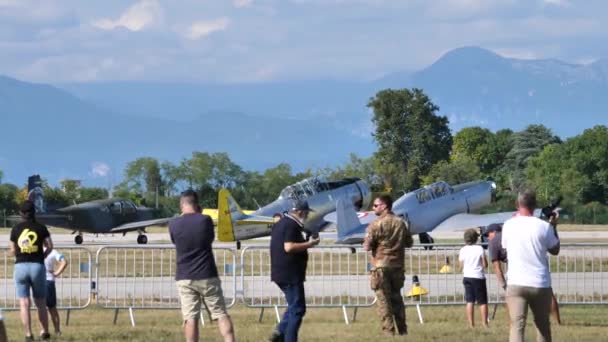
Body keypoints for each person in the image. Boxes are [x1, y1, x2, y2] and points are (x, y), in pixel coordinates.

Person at [169, 190, 235, 342]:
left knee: (190, 318)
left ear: (182, 204)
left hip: (185, 275)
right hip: (207, 273)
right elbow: (209, 238)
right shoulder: (205, 220)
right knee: (220, 313)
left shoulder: (173, 223)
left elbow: (175, 241)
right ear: (197, 204)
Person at [502, 189, 560, 342]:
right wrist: (553, 226)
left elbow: (505, 247)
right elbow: (555, 249)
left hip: (516, 281)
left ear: (517, 204)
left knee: (517, 326)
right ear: (535, 205)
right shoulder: (543, 226)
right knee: (542, 326)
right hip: (539, 282)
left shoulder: (508, 225)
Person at [487, 223, 562, 325]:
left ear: (494, 232)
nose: (488, 237)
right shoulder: (514, 233)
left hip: (517, 271)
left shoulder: (493, 242)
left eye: (488, 234)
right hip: (535, 264)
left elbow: (497, 269)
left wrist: (504, 285)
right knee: (548, 295)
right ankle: (557, 322)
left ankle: (513, 324)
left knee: (511, 298)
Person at [269, 200, 319, 342]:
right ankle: (287, 338)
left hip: (282, 272)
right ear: (300, 211)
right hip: (290, 274)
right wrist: (310, 244)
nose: (307, 215)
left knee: (293, 307)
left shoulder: (281, 223)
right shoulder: (291, 225)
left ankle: (279, 334)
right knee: (297, 309)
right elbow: (289, 247)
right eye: (307, 212)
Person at [363, 195, 413, 336]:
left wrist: (368, 243)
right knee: (397, 298)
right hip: (397, 265)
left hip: (380, 266)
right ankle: (403, 330)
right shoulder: (401, 223)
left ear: (384, 206)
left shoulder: (375, 224)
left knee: (383, 299)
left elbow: (367, 246)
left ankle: (388, 331)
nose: (373, 208)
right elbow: (409, 242)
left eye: (375, 205)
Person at [9, 200, 53, 341]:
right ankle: (44, 332)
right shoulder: (41, 227)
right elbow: (50, 245)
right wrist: (43, 256)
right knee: (40, 302)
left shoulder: (15, 229)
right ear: (34, 212)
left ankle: (28, 335)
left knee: (24, 302)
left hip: (21, 266)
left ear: (21, 213)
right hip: (37, 266)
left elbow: (13, 250)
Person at [459, 228, 489, 328]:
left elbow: (461, 265)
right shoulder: (479, 249)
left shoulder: (463, 250)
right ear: (476, 238)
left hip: (467, 276)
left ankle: (471, 324)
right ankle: (485, 323)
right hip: (478, 277)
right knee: (482, 301)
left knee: (470, 301)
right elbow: (485, 264)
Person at [44, 247, 69, 335]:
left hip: (45, 280)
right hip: (48, 281)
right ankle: (56, 330)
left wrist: (56, 273)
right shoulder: (53, 252)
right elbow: (64, 261)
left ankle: (45, 331)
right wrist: (56, 273)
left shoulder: (37, 250)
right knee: (51, 308)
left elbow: (64, 262)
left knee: (44, 308)